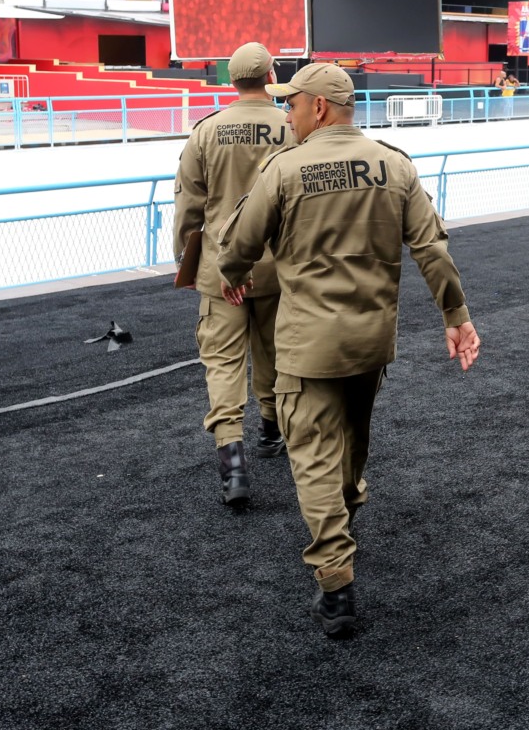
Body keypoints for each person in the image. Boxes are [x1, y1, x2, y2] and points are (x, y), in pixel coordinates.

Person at [217, 62, 480, 638]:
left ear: (318, 107)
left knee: (311, 454)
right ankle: (341, 521)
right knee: (350, 450)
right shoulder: (394, 163)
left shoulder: (285, 169)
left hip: (308, 344)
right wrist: (455, 316)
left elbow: (238, 244)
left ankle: (335, 582)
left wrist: (234, 273)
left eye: (292, 105)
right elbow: (431, 247)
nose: (285, 115)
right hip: (370, 344)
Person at [172, 42, 295, 508]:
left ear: (231, 81)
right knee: (274, 351)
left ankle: (233, 462)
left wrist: (190, 257)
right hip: (277, 265)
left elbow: (189, 206)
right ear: (270, 75)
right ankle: (270, 432)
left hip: (220, 271)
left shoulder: (205, 132)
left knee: (222, 363)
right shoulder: (291, 126)